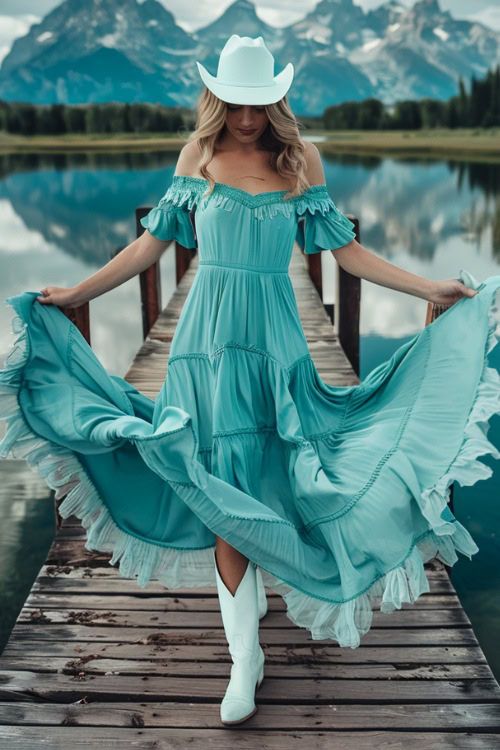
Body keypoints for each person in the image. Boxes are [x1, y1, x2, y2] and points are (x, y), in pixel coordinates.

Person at [1, 35, 500, 727]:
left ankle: (258, 601)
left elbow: (346, 251)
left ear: (276, 100)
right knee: (217, 486)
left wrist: (430, 286)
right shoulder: (197, 157)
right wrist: (79, 290)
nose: (244, 118)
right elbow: (150, 246)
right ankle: (246, 657)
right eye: (234, 104)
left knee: (278, 476)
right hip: (202, 348)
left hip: (276, 345)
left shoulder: (301, 161)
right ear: (217, 100)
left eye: (258, 104)